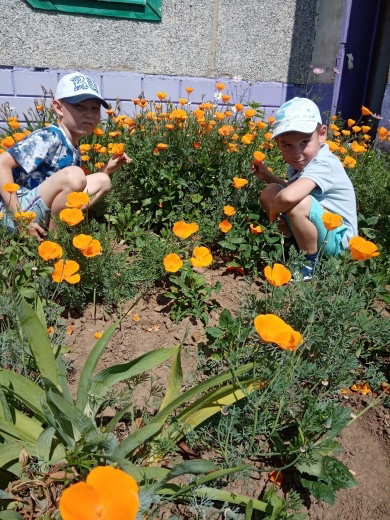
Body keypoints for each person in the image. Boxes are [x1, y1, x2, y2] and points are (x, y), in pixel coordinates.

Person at [0, 72, 131, 241]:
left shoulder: (73, 147)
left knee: (103, 181)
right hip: (15, 216)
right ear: (59, 107)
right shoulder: (49, 137)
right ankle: (55, 243)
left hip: (38, 211)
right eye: (80, 107)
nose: (89, 114)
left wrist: (107, 169)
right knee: (75, 175)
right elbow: (2, 163)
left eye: (94, 108)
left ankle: (52, 238)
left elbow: (71, 190)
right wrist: (20, 218)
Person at [252, 97, 358, 280]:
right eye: (287, 145)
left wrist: (273, 214)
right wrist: (269, 177)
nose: (296, 153)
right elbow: (291, 190)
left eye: (304, 142)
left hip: (338, 239)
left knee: (297, 204)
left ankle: (309, 263)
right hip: (320, 226)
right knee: (270, 190)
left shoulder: (324, 164)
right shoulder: (301, 164)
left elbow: (287, 198)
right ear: (278, 144)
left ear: (322, 134)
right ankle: (292, 244)